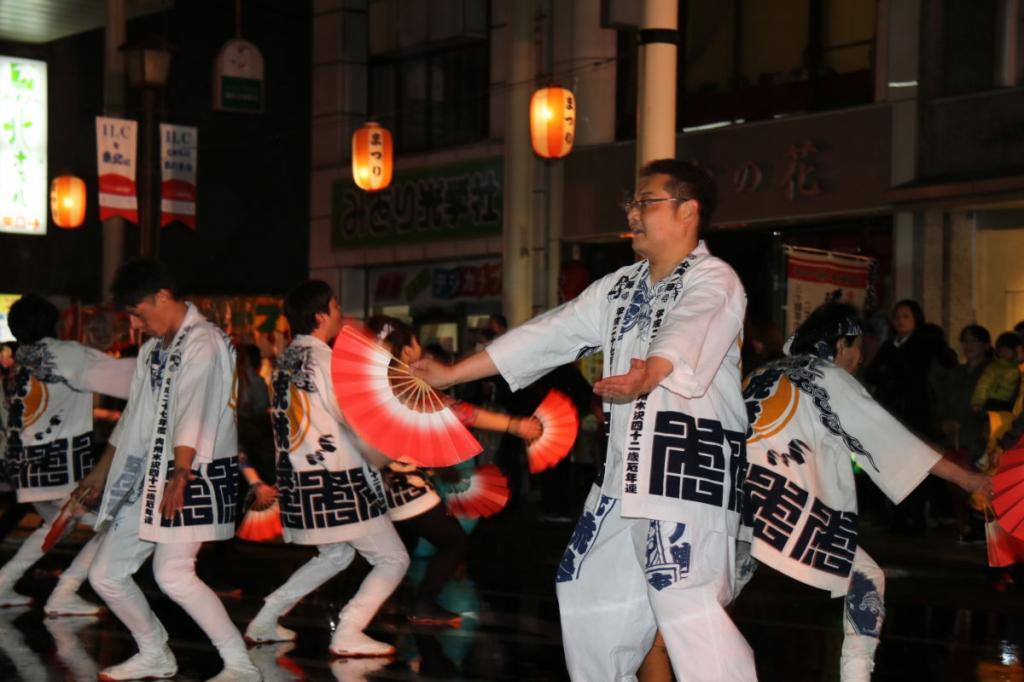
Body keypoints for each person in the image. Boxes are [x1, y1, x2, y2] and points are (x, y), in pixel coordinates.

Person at [412, 159, 755, 681]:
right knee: (584, 586)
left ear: (688, 211)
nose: (633, 214)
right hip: (623, 480)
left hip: (684, 478)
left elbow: (690, 328)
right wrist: (454, 372)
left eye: (646, 202)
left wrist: (652, 372)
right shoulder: (619, 288)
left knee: (687, 608)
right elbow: (549, 332)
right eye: (632, 204)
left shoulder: (716, 279)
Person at [739, 301, 992, 682]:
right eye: (857, 349)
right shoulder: (827, 376)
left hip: (727, 495)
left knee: (714, 589)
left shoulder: (765, 370)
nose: (859, 360)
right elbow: (892, 441)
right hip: (777, 494)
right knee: (866, 576)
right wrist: (970, 480)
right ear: (840, 345)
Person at [75, 260, 259, 681]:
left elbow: (194, 409)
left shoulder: (206, 341)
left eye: (139, 313)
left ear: (163, 297)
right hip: (157, 474)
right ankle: (155, 652)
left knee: (173, 573)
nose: (137, 324)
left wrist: (180, 473)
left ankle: (240, 665)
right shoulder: (153, 351)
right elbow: (134, 419)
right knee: (106, 573)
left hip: (194, 472)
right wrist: (100, 474)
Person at [244, 280, 410, 657]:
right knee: (393, 558)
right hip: (338, 479)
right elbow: (354, 419)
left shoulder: (285, 360)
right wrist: (387, 450)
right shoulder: (327, 363)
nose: (340, 312)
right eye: (335, 306)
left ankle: (267, 616)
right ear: (321, 315)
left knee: (336, 555)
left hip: (300, 478)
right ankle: (349, 630)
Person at [364, 315, 541, 626]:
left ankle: (384, 611)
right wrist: (513, 425)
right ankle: (418, 605)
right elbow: (460, 411)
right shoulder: (405, 386)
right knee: (452, 542)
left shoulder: (372, 385)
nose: (419, 347)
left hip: (375, 482)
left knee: (393, 553)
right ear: (405, 352)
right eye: (414, 342)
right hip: (401, 483)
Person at [0, 294, 134, 615]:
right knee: (117, 522)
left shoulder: (18, 363)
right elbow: (131, 380)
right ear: (54, 323)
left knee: (58, 525)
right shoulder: (65, 355)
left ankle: (4, 583)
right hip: (61, 471)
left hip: (26, 470)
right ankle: (65, 592)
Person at [971, 332, 1022, 413]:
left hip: (1014, 404)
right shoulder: (995, 367)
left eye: (1006, 349)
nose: (1003, 352)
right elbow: (983, 385)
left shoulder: (1020, 367)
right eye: (1000, 349)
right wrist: (978, 401)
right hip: (995, 402)